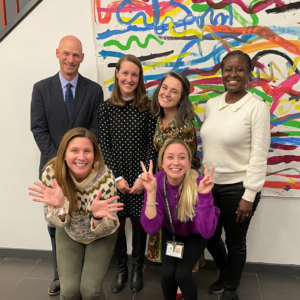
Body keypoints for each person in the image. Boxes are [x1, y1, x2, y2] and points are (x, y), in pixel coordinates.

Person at [30, 35, 103, 295]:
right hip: (54, 169)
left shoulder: (94, 90)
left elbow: (95, 131)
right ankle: (60, 275)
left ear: (82, 58)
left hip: (86, 169)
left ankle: (84, 273)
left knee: (85, 218)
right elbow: (38, 129)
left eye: (76, 55)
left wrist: (81, 159)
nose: (71, 59)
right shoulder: (41, 88)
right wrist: (60, 162)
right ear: (58, 53)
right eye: (66, 54)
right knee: (56, 221)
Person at [200, 50, 270, 300]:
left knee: (235, 241)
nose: (233, 74)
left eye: (239, 69)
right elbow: (210, 146)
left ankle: (231, 287)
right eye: (228, 69)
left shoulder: (256, 107)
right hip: (209, 187)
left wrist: (249, 195)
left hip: (238, 188)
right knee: (207, 235)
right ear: (222, 73)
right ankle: (227, 271)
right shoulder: (212, 105)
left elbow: (259, 154)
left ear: (249, 74)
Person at [28, 128, 123, 300]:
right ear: (64, 154)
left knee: (90, 291)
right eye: (74, 150)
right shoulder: (52, 174)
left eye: (87, 151)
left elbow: (110, 223)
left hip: (101, 233)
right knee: (69, 292)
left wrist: (97, 218)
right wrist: (59, 208)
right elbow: (54, 223)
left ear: (94, 154)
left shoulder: (105, 177)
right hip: (69, 230)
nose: (81, 157)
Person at [98, 54, 157, 293]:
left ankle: (137, 269)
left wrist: (143, 178)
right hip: (116, 178)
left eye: (135, 74)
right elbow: (104, 145)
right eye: (125, 73)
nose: (129, 78)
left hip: (141, 177)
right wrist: (118, 178)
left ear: (139, 77)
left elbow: (151, 145)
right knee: (118, 225)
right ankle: (121, 269)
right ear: (117, 74)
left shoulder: (148, 107)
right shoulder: (106, 108)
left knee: (139, 223)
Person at [140, 139, 220, 300]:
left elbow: (206, 231)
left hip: (196, 233)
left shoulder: (199, 182)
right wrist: (150, 193)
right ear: (162, 162)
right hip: (172, 230)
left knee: (182, 275)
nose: (176, 162)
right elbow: (150, 228)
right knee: (168, 275)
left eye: (182, 157)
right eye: (170, 157)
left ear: (189, 163)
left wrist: (204, 195)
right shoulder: (155, 182)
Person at [149, 70, 202, 299]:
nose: (167, 93)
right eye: (164, 87)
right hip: (163, 186)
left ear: (181, 98)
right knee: (169, 232)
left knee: (180, 229)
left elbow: (185, 165)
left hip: (180, 188)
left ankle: (182, 277)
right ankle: (174, 274)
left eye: (174, 91)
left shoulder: (185, 125)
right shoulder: (159, 120)